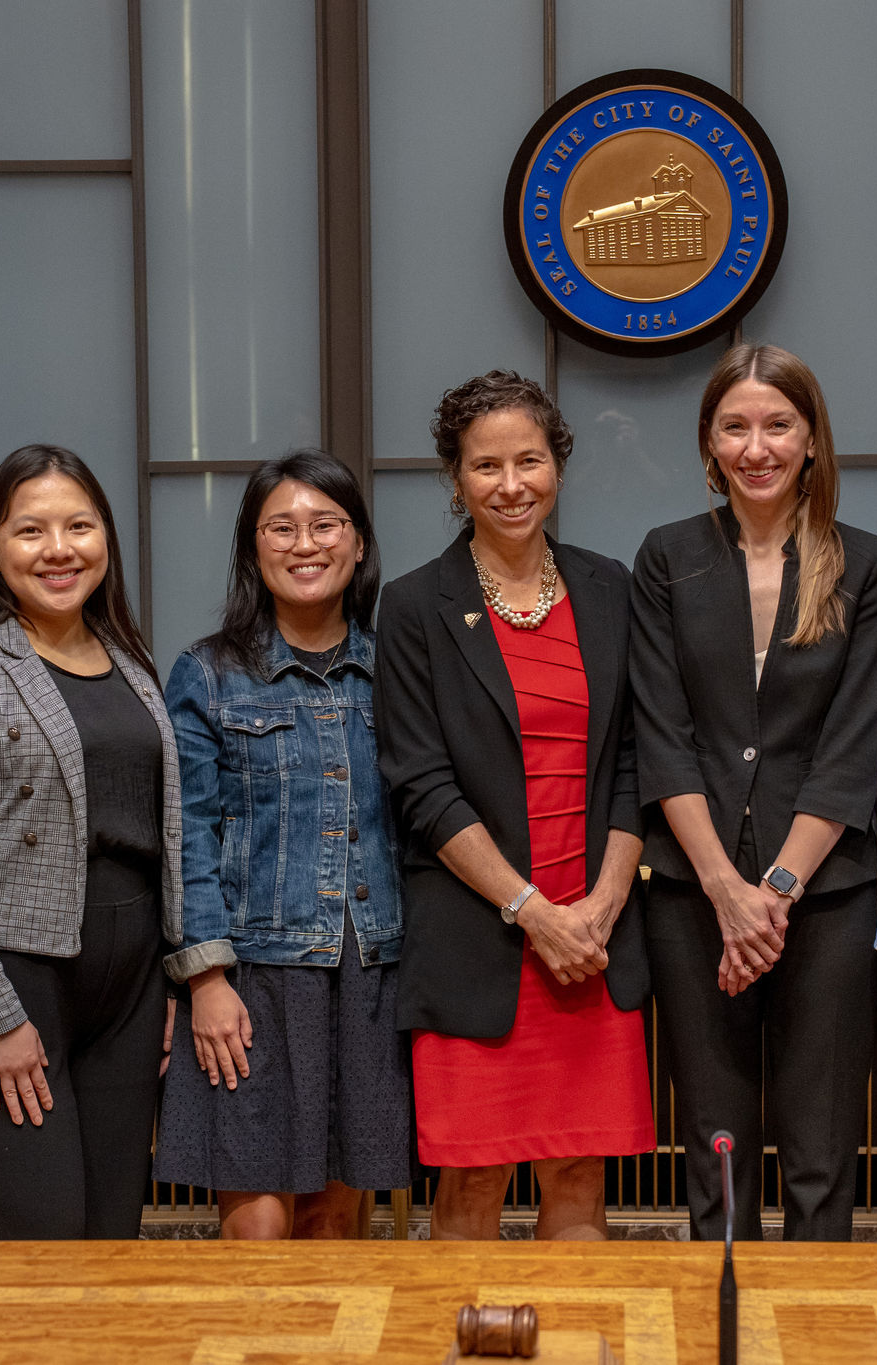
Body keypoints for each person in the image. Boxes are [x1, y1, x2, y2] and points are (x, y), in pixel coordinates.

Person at [630, 342, 877, 1242]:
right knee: (716, 1147)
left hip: (822, 894)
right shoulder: (667, 556)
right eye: (736, 426)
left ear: (812, 439)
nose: (758, 446)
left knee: (822, 1152)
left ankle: (814, 1335)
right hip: (691, 891)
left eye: (778, 424)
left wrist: (775, 892)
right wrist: (723, 889)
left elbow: (851, 743)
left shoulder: (866, 564)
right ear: (710, 444)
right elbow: (661, 735)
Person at [376, 370, 653, 1240]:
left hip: (594, 945)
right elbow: (421, 784)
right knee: (470, 1187)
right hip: (481, 941)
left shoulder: (611, 588)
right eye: (485, 465)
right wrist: (535, 914)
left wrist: (600, 909)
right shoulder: (416, 605)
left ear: (557, 467)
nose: (510, 484)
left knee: (579, 1182)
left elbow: (636, 762)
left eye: (528, 460)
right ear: (456, 480)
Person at [0, 444, 185, 1240]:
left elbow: (160, 834)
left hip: (128, 983)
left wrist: (167, 978)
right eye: (31, 530)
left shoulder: (130, 660)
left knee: (108, 1238)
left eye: (79, 525)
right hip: (12, 974)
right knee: (40, 1242)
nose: (59, 549)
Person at [155, 450, 410, 1238]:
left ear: (359, 542)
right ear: (253, 548)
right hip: (254, 981)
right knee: (258, 1228)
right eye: (282, 527)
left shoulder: (396, 668)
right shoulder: (209, 672)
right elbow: (186, 835)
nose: (306, 544)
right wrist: (206, 977)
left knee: (335, 1226)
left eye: (326, 524)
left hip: (369, 974)